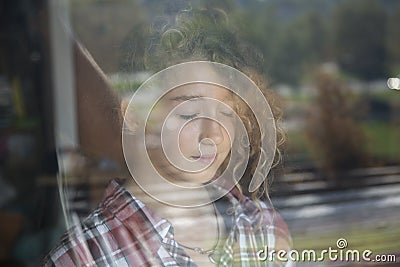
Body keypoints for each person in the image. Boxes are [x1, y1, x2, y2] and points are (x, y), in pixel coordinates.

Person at [42, 8, 293, 267]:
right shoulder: (85, 258)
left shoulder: (261, 228)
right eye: (189, 113)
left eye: (227, 114)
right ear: (134, 117)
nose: (213, 134)